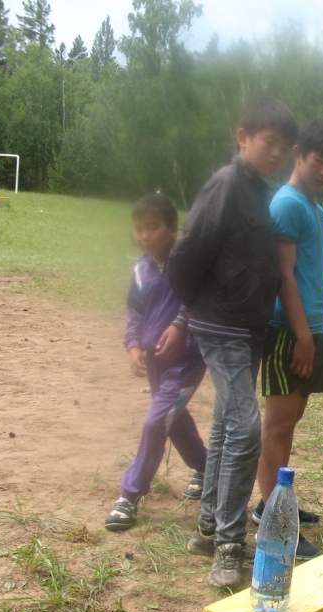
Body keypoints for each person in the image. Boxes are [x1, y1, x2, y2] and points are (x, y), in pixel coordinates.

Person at [168, 97, 298, 588]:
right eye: (269, 142)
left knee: (226, 428)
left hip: (250, 327)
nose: (276, 153)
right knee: (246, 430)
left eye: (284, 147)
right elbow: (188, 251)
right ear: (243, 138)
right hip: (222, 326)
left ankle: (207, 529)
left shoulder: (258, 191)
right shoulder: (226, 184)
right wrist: (197, 310)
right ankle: (229, 544)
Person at [255, 119, 323, 556]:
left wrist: (313, 333)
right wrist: (302, 336)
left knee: (289, 422)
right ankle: (273, 524)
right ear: (298, 154)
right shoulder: (288, 204)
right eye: (318, 161)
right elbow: (284, 274)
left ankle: (276, 503)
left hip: (311, 327)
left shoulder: (312, 206)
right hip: (290, 332)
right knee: (277, 426)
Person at [104, 193, 207, 532]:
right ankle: (206, 469)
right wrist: (133, 345)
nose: (145, 235)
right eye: (139, 229)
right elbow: (135, 312)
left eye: (153, 227)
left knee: (155, 422)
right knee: (172, 421)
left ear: (173, 229)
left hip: (186, 360)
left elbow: (198, 301)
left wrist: (182, 329)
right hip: (156, 362)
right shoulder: (141, 270)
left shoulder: (187, 264)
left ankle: (130, 494)